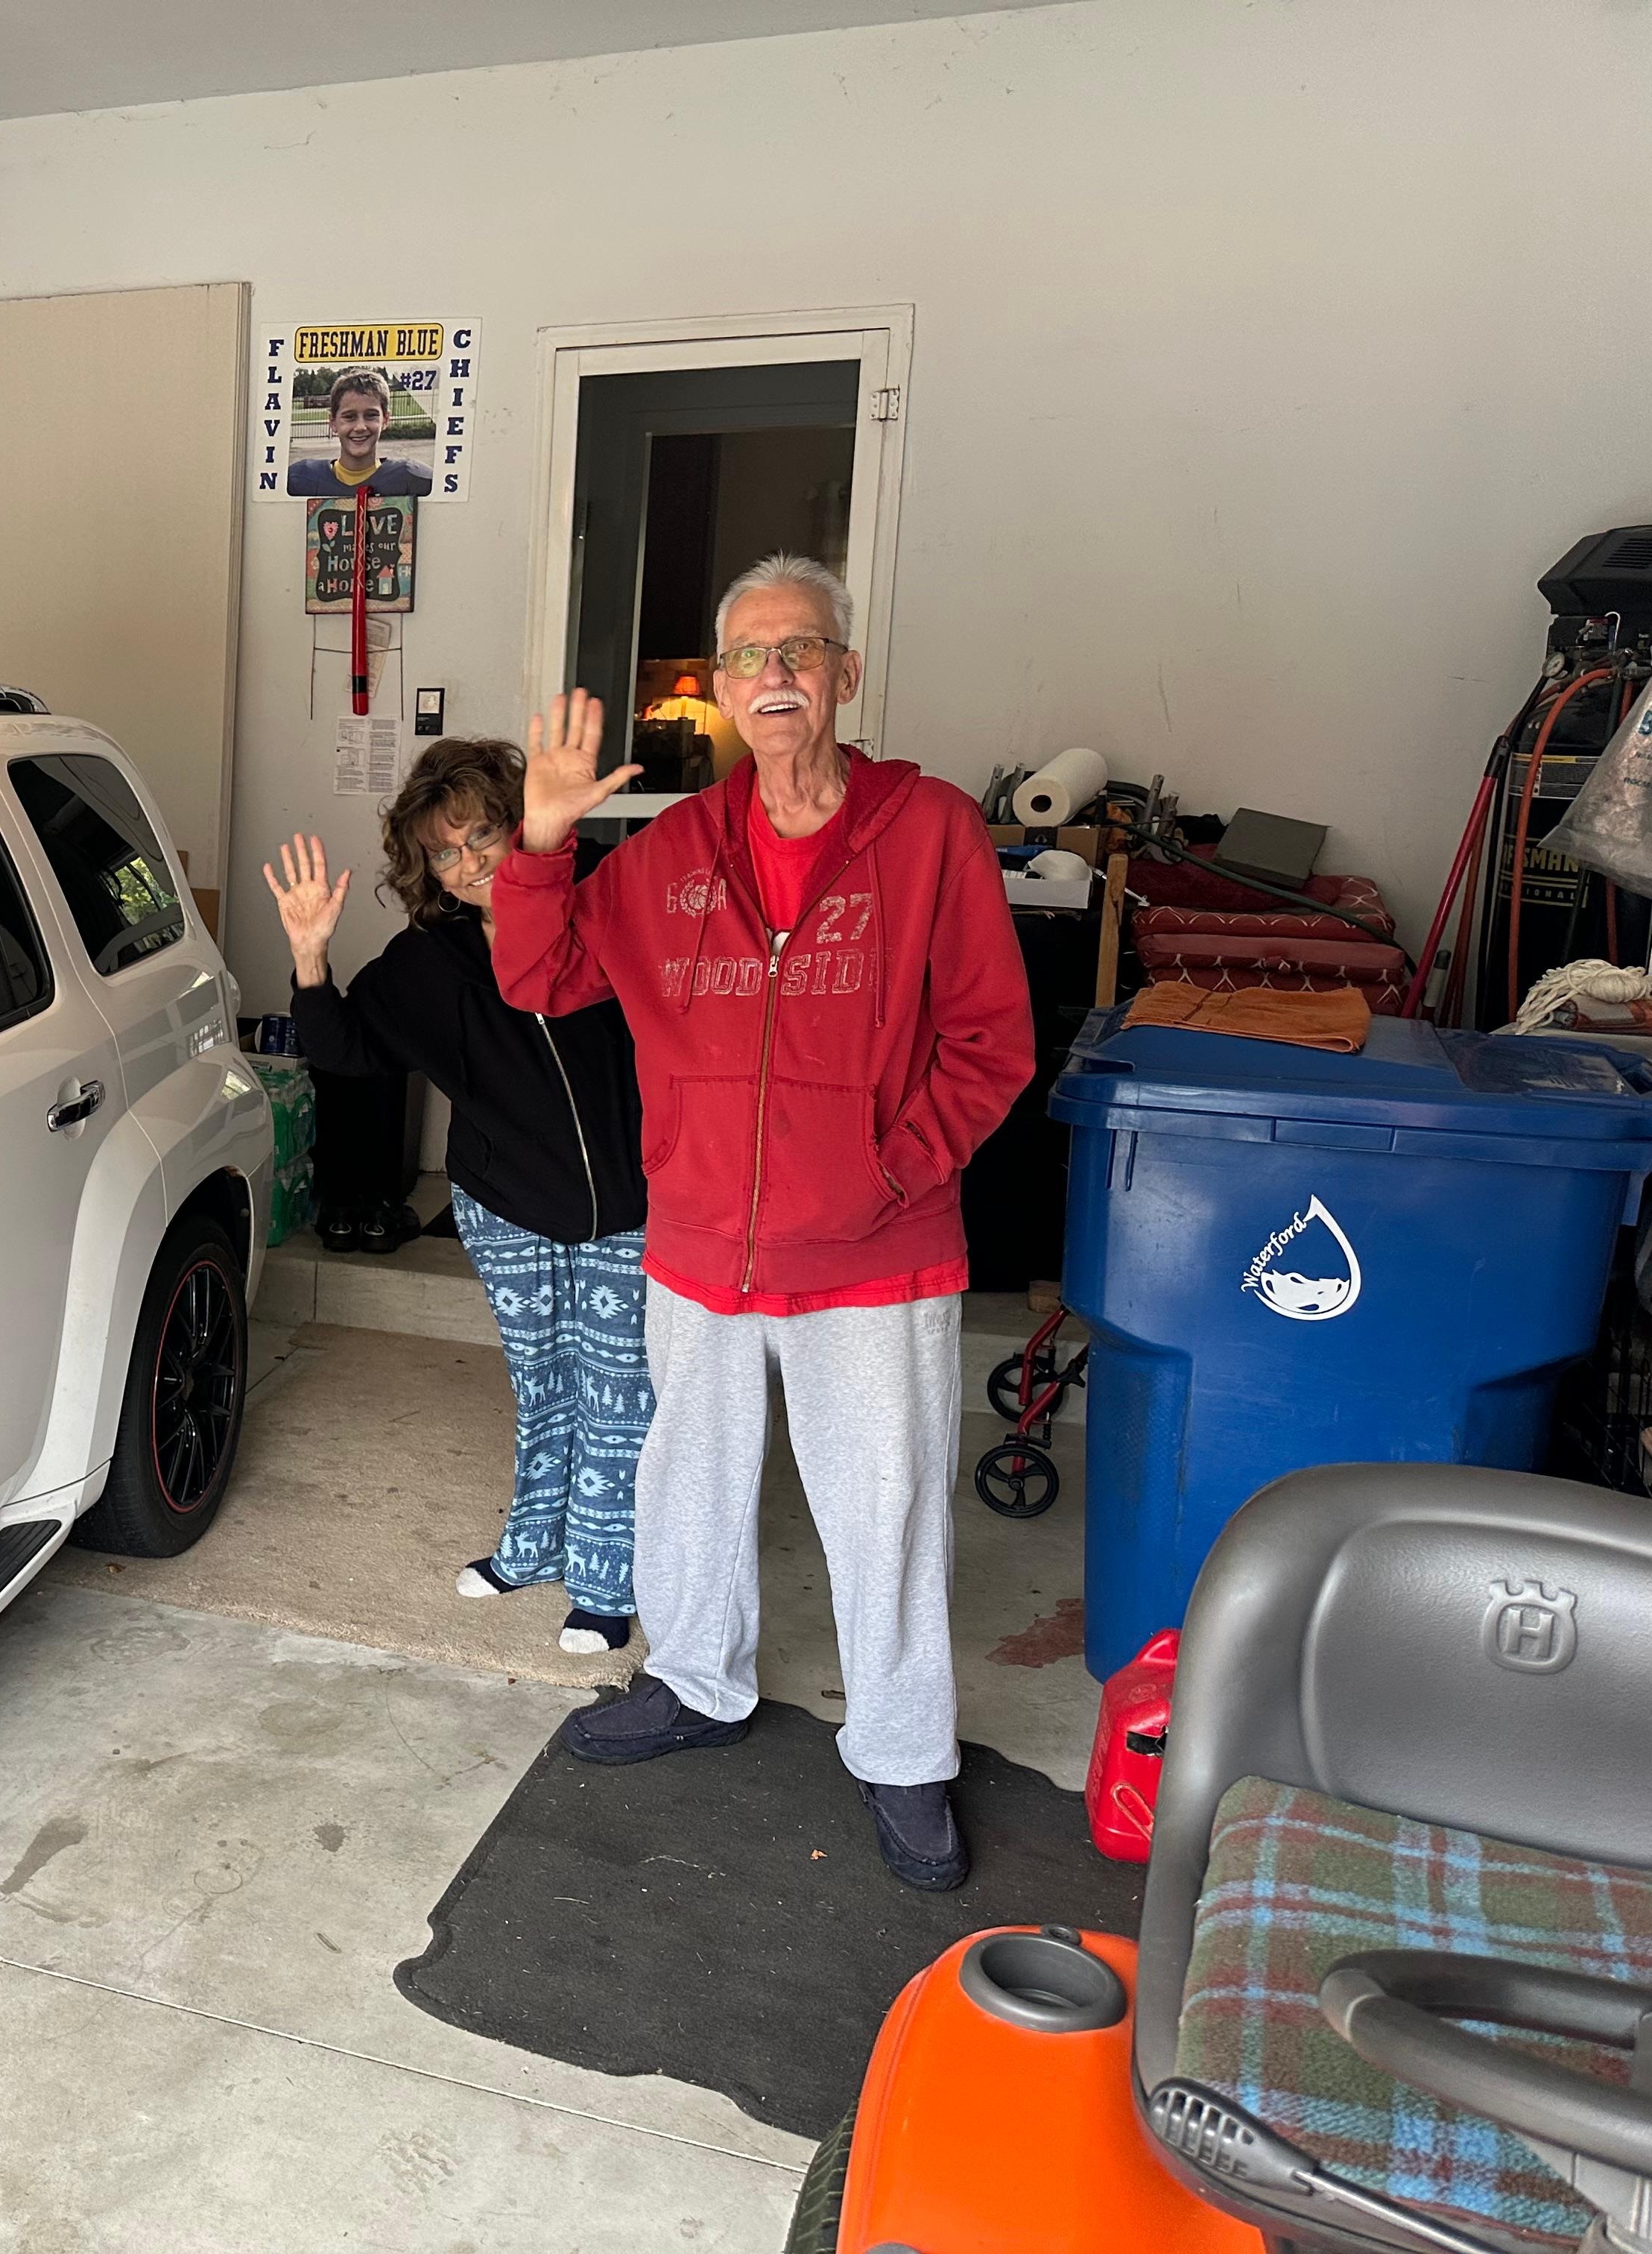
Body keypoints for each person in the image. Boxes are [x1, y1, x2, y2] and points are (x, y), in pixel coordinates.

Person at [493, 553, 1034, 1890]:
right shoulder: (672, 851)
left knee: (885, 1506)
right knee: (687, 1485)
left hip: (875, 1252)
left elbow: (990, 1042)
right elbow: (542, 973)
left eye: (801, 650)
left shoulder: (929, 833)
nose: (774, 673)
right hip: (700, 1248)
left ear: (845, 677)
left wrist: (882, 1175)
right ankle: (693, 1678)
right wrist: (544, 840)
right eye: (747, 656)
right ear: (722, 691)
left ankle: (904, 1751)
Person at [263, 736, 651, 1655]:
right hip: (505, 1203)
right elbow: (348, 1051)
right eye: (448, 849)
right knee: (541, 1382)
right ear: (425, 862)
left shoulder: (606, 906)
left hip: (632, 1202)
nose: (471, 862)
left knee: (619, 1392)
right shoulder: (424, 963)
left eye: (485, 835)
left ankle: (604, 1577)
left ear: (525, 829)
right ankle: (530, 1546)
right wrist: (311, 958)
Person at [285, 367, 435, 497]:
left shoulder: (414, 479)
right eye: (349, 417)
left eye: (371, 415)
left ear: (386, 420)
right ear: (333, 422)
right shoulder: (299, 479)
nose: (360, 427)